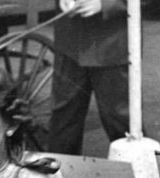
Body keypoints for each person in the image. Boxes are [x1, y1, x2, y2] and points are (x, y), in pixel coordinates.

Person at [48, 0, 129, 154]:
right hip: (70, 45)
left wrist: (106, 4)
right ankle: (59, 174)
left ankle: (139, 172)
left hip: (110, 48)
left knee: (120, 121)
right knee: (63, 122)